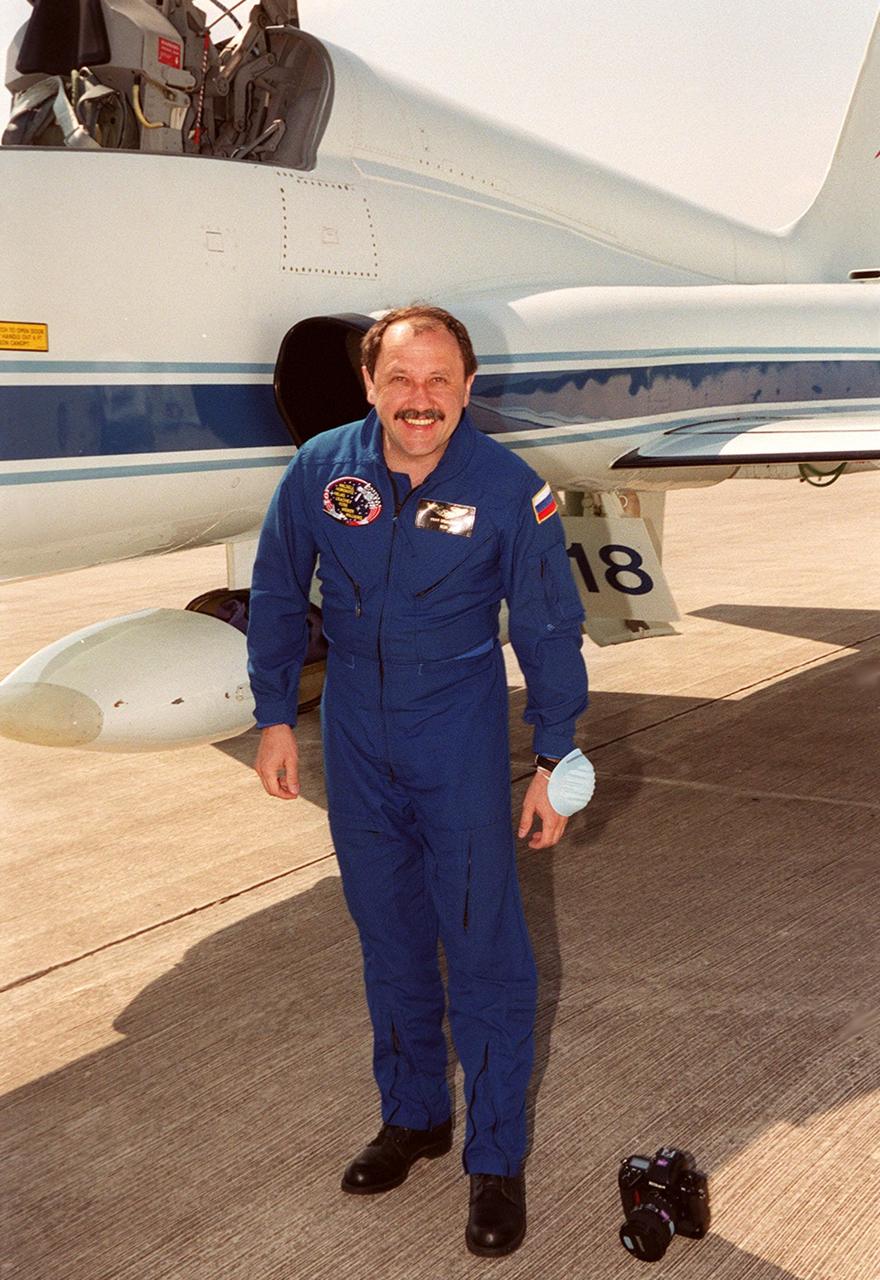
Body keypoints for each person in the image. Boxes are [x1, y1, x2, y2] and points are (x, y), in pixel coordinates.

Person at [247, 305, 588, 1258]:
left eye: (439, 380)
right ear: (370, 385)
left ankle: (495, 1161)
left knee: (484, 949)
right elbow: (279, 587)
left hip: (458, 727)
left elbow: (550, 627)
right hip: (353, 724)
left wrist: (555, 756)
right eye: (400, 379)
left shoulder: (511, 490)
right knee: (388, 934)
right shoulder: (322, 468)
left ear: (468, 387)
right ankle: (414, 1118)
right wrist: (276, 714)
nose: (420, 400)